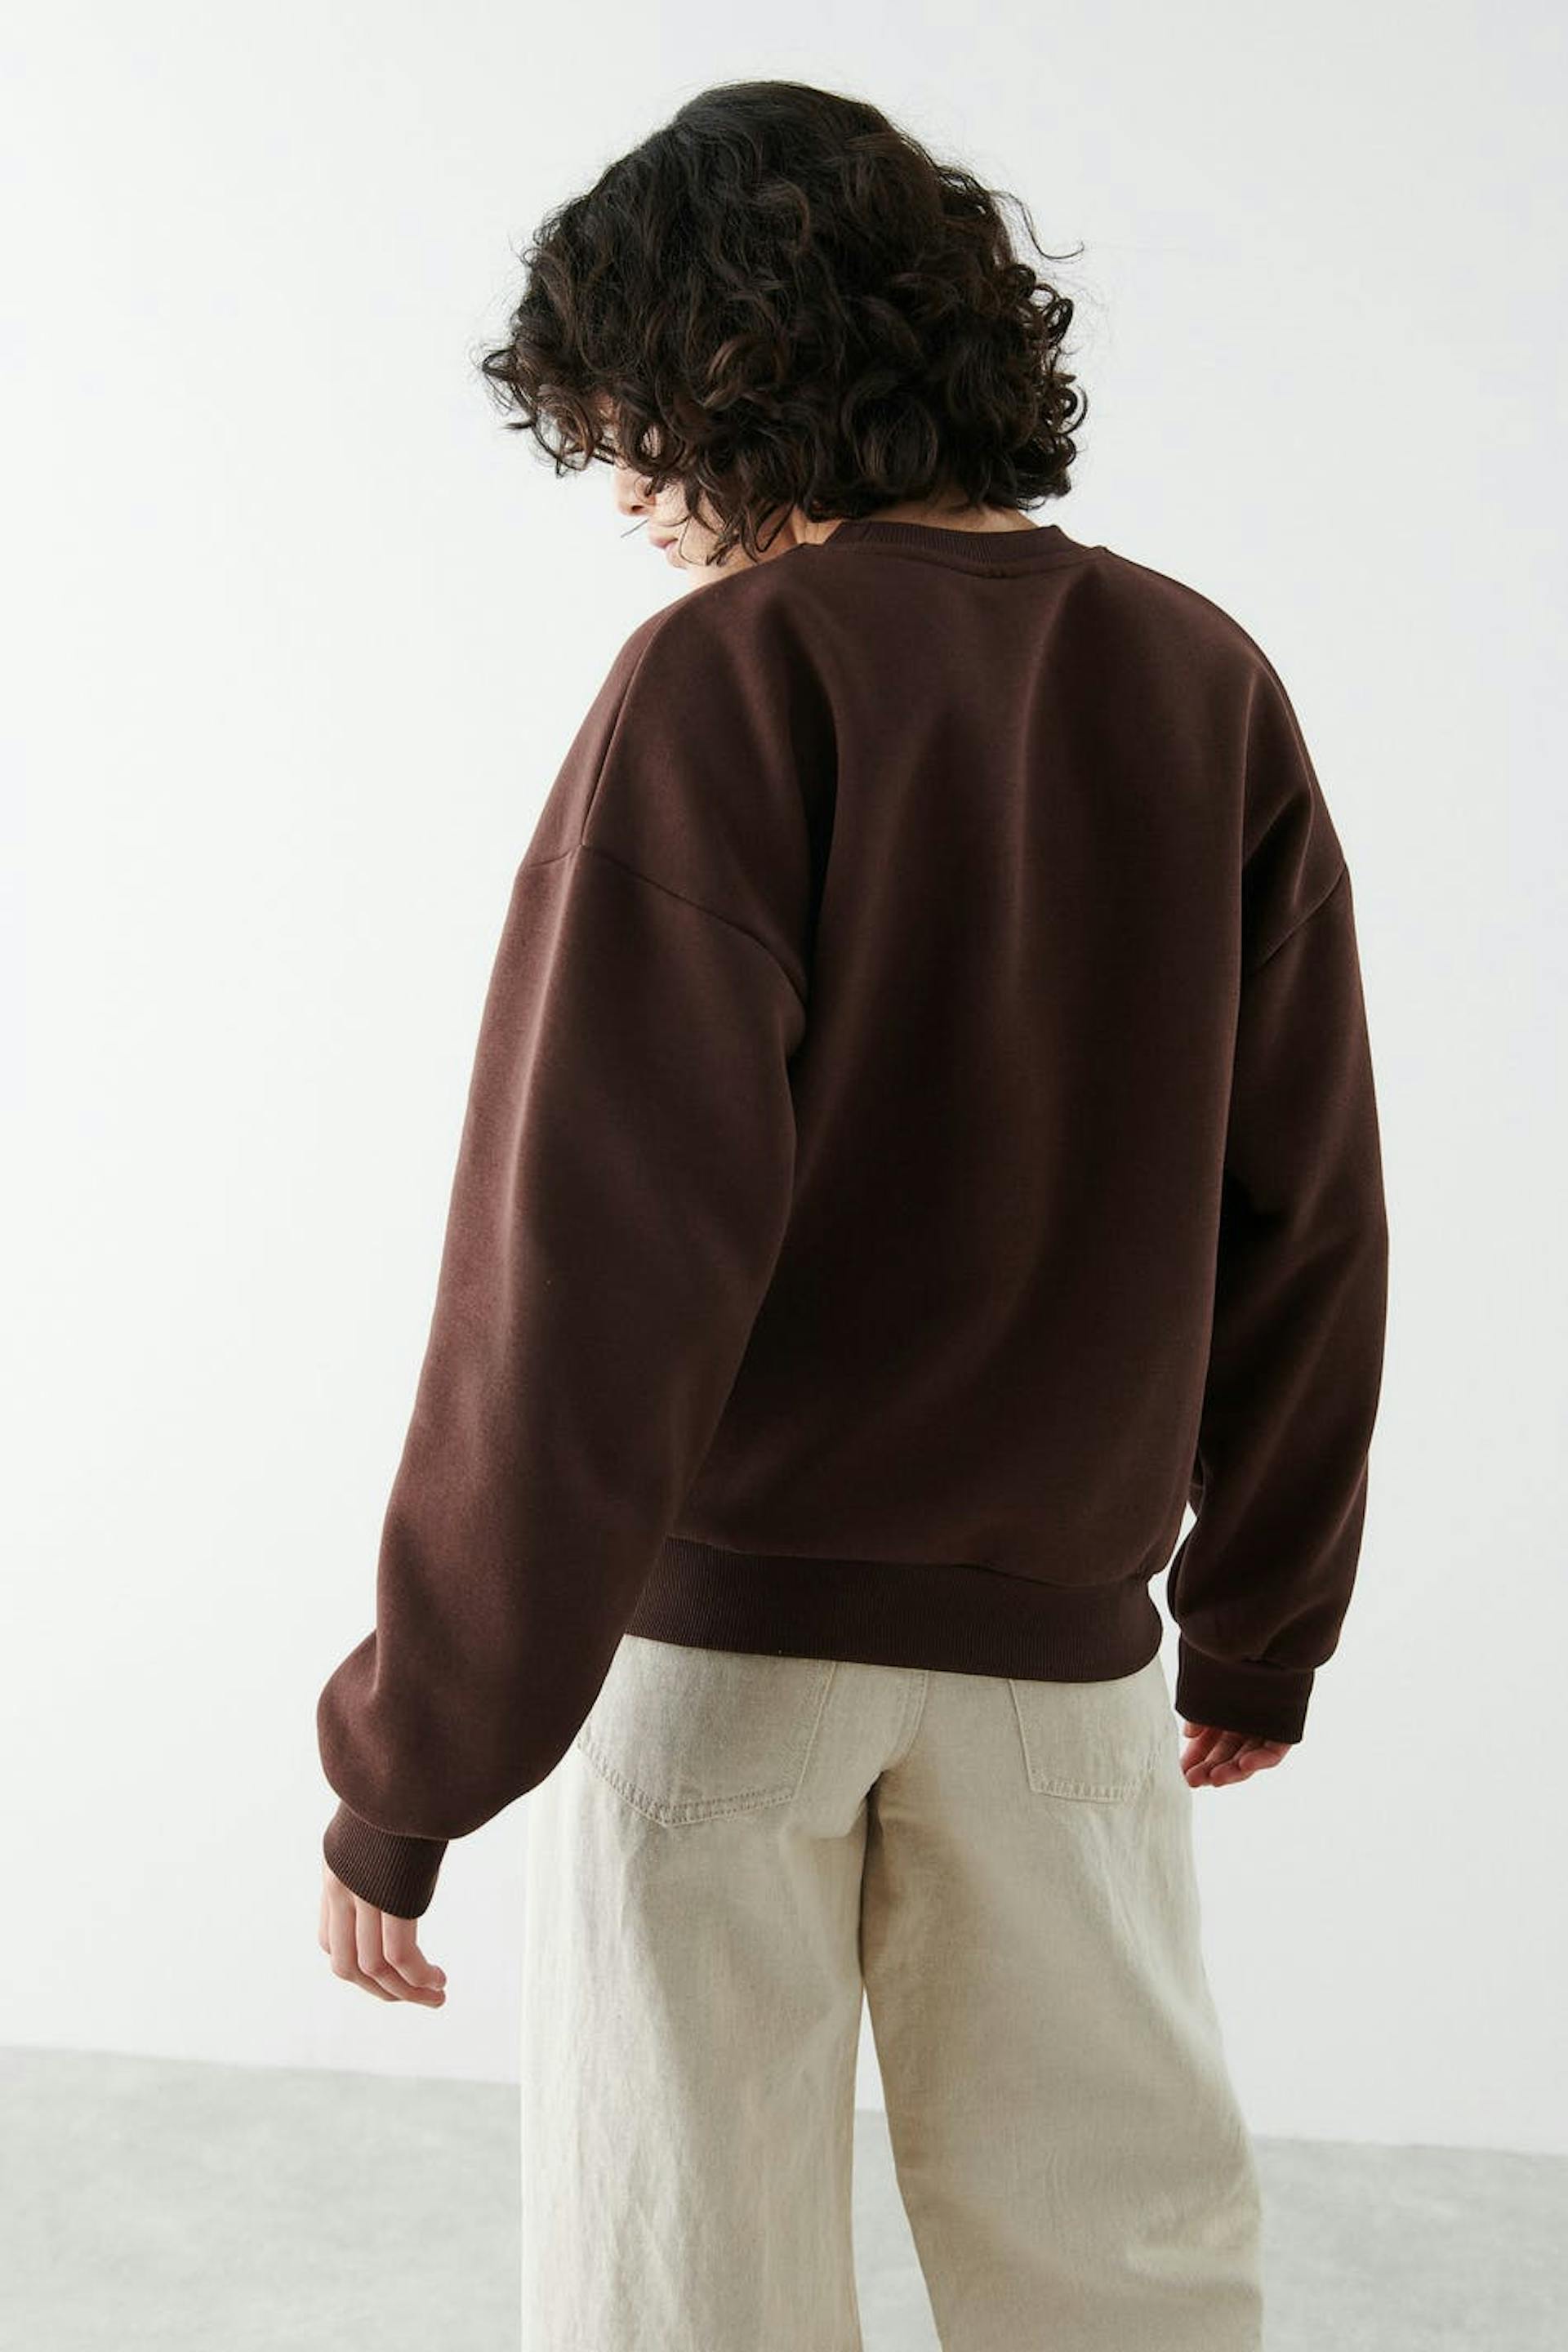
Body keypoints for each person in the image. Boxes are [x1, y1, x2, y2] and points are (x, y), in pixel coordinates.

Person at [314, 78, 1388, 2352]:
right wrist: (1263, 1610)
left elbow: (585, 1288)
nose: (618, 482)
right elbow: (1306, 1204)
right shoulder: (1203, 680)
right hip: (1064, 1666)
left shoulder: (727, 682)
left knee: (686, 2283)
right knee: (1125, 2279)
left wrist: (412, 1764)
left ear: (732, 366)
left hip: (726, 1672)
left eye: (625, 414)